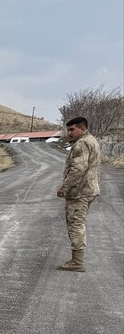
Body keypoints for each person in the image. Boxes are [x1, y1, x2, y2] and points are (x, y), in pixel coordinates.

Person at [56, 116, 101, 272]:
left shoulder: (82, 144)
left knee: (76, 224)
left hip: (79, 192)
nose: (69, 133)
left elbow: (78, 169)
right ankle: (76, 260)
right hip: (88, 189)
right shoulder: (91, 140)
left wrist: (64, 187)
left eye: (72, 129)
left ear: (82, 128)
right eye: (68, 129)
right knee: (78, 223)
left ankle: (77, 262)